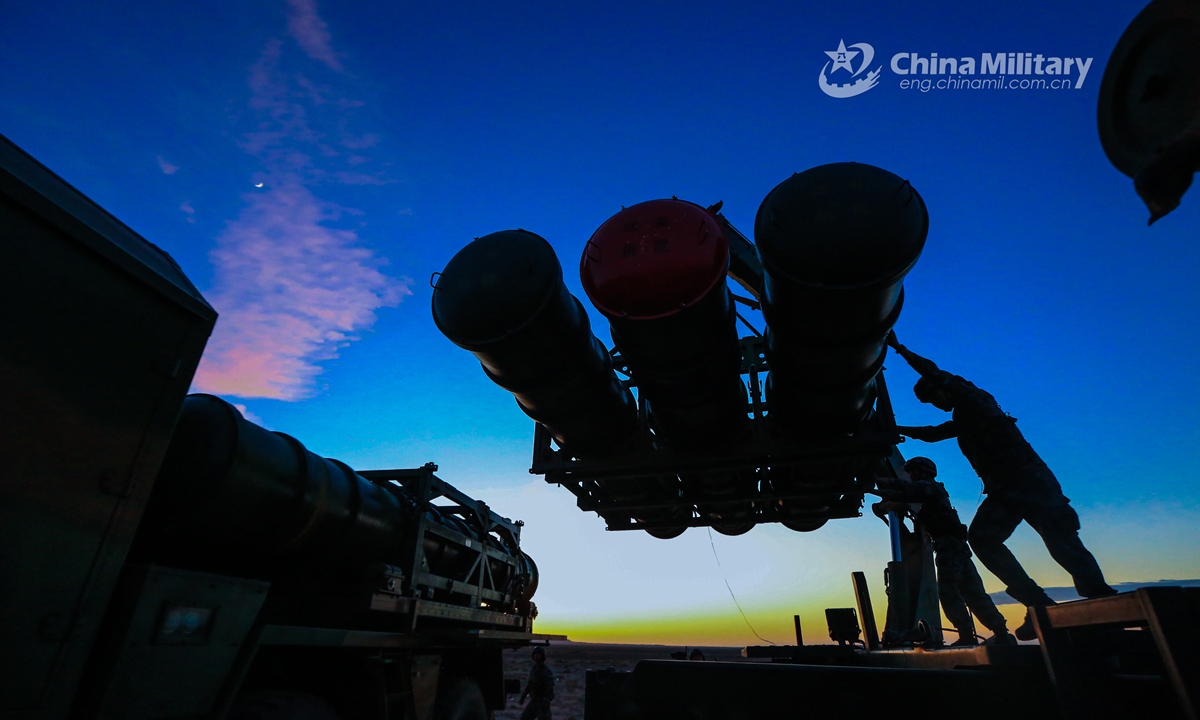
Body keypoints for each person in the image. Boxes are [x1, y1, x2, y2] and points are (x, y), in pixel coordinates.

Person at [887, 332, 1116, 640]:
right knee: (983, 539)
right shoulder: (964, 415)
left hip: (1030, 481)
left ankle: (1100, 598)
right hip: (1004, 490)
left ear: (942, 388)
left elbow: (933, 372)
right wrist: (895, 429)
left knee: (1061, 541)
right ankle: (1037, 604)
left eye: (933, 398)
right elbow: (932, 433)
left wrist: (900, 350)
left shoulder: (971, 397)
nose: (936, 406)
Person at [874, 457, 1015, 646]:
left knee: (949, 592)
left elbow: (906, 490)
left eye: (913, 472)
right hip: (956, 547)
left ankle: (967, 634)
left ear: (924, 472)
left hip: (948, 547)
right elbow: (905, 498)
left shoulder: (930, 488)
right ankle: (1000, 631)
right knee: (973, 591)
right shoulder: (931, 494)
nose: (911, 476)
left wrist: (877, 482)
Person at [519, 647, 555, 720]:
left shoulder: (545, 671)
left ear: (542, 656)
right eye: (535, 654)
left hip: (542, 702)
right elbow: (530, 684)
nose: (537, 656)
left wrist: (547, 698)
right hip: (534, 701)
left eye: (538, 654)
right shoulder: (534, 669)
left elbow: (549, 686)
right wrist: (523, 697)